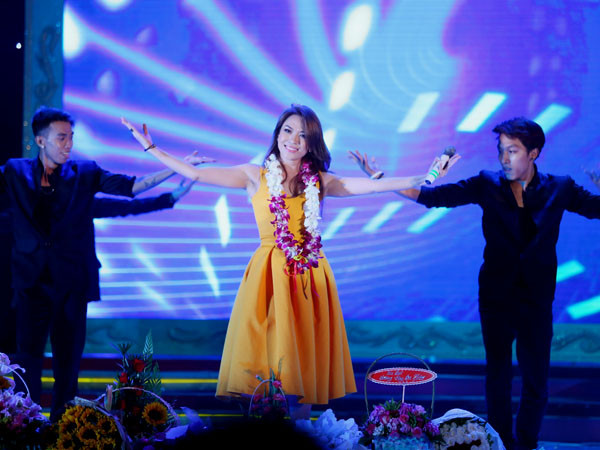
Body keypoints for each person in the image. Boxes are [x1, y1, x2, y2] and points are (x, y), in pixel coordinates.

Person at [121, 104, 450, 419]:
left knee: (302, 367)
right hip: (268, 277)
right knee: (263, 364)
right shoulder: (254, 175)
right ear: (277, 134)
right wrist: (152, 148)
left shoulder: (320, 180)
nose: (293, 139)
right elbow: (195, 172)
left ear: (311, 143)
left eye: (303, 135)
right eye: (288, 131)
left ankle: (301, 430)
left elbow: (374, 187)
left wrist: (425, 176)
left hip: (309, 276)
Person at [350, 117, 600, 450]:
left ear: (534, 153)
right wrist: (379, 178)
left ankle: (527, 443)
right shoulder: (486, 183)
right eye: (501, 150)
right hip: (496, 295)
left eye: (513, 150)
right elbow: (431, 197)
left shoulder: (560, 187)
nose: (504, 158)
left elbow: (596, 209)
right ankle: (499, 442)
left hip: (537, 298)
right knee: (498, 375)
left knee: (536, 378)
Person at [0, 106, 207, 421]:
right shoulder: (15, 171)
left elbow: (132, 187)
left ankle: (61, 424)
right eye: (61, 137)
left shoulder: (85, 173)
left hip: (73, 283)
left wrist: (178, 167)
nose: (69, 144)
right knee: (27, 360)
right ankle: (26, 422)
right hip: (31, 283)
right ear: (41, 140)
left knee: (68, 361)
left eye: (71, 137)